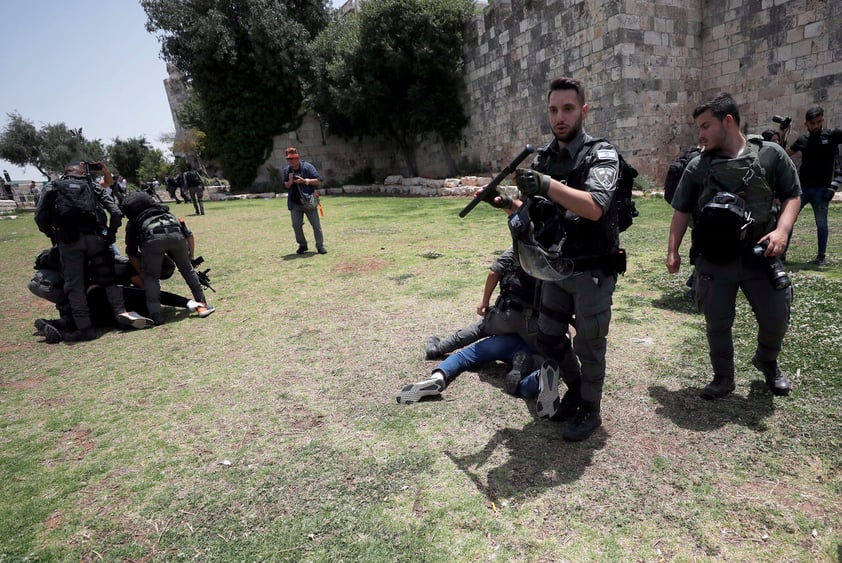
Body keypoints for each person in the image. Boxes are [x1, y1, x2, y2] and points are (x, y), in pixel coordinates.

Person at [488, 76, 623, 442]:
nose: (559, 117)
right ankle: (577, 390)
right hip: (553, 268)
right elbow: (539, 215)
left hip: (592, 268)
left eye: (567, 108)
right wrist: (508, 205)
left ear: (583, 110)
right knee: (547, 338)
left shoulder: (601, 154)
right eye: (553, 110)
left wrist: (546, 183)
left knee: (590, 345)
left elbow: (595, 206)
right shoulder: (546, 158)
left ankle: (591, 411)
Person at [666, 92, 801, 400]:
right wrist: (672, 250)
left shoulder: (770, 154)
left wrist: (781, 231)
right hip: (715, 257)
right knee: (717, 321)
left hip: (760, 254)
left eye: (705, 126)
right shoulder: (698, 166)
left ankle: (767, 361)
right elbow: (682, 209)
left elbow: (793, 194)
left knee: (775, 318)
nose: (700, 134)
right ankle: (723, 378)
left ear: (727, 121)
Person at [34, 161, 150, 341]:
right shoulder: (92, 186)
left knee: (75, 286)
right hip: (97, 240)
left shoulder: (55, 186)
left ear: (65, 174)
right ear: (83, 173)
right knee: (108, 279)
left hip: (68, 242)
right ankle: (121, 314)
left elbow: (39, 215)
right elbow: (116, 212)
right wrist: (110, 235)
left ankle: (84, 328)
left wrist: (53, 236)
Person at [29, 247, 198, 343]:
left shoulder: (116, 262)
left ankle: (54, 324)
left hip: (81, 299)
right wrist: (187, 302)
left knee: (97, 318)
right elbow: (156, 294)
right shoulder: (125, 269)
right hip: (96, 297)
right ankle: (60, 326)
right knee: (129, 304)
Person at [425, 247, 539, 360]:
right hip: (536, 321)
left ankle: (439, 348)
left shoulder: (518, 247)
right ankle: (528, 362)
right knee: (544, 352)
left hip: (505, 314)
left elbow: (494, 272)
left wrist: (484, 302)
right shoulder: (552, 255)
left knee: (480, 328)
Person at [121, 191, 214, 325]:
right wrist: (191, 258)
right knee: (187, 270)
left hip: (152, 241)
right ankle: (203, 305)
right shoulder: (167, 214)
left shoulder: (134, 222)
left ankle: (156, 315)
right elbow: (189, 236)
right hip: (177, 237)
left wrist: (142, 273)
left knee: (151, 277)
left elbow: (131, 252)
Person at [785, 106, 842, 266]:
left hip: (822, 189)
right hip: (802, 189)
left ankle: (821, 257)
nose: (816, 126)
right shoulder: (803, 140)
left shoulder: (832, 136)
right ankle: (781, 254)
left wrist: (834, 185)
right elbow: (783, 154)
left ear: (823, 120)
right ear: (806, 124)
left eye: (818, 122)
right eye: (812, 123)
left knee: (821, 223)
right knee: (788, 220)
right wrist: (781, 134)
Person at [283, 147, 326, 254]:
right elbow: (286, 186)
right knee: (296, 225)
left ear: (298, 158)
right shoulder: (287, 170)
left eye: (293, 158)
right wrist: (291, 180)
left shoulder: (307, 167)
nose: (291, 161)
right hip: (295, 203)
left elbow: (318, 181)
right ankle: (302, 245)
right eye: (289, 159)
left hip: (309, 202)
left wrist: (305, 181)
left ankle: (320, 246)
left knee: (316, 225)